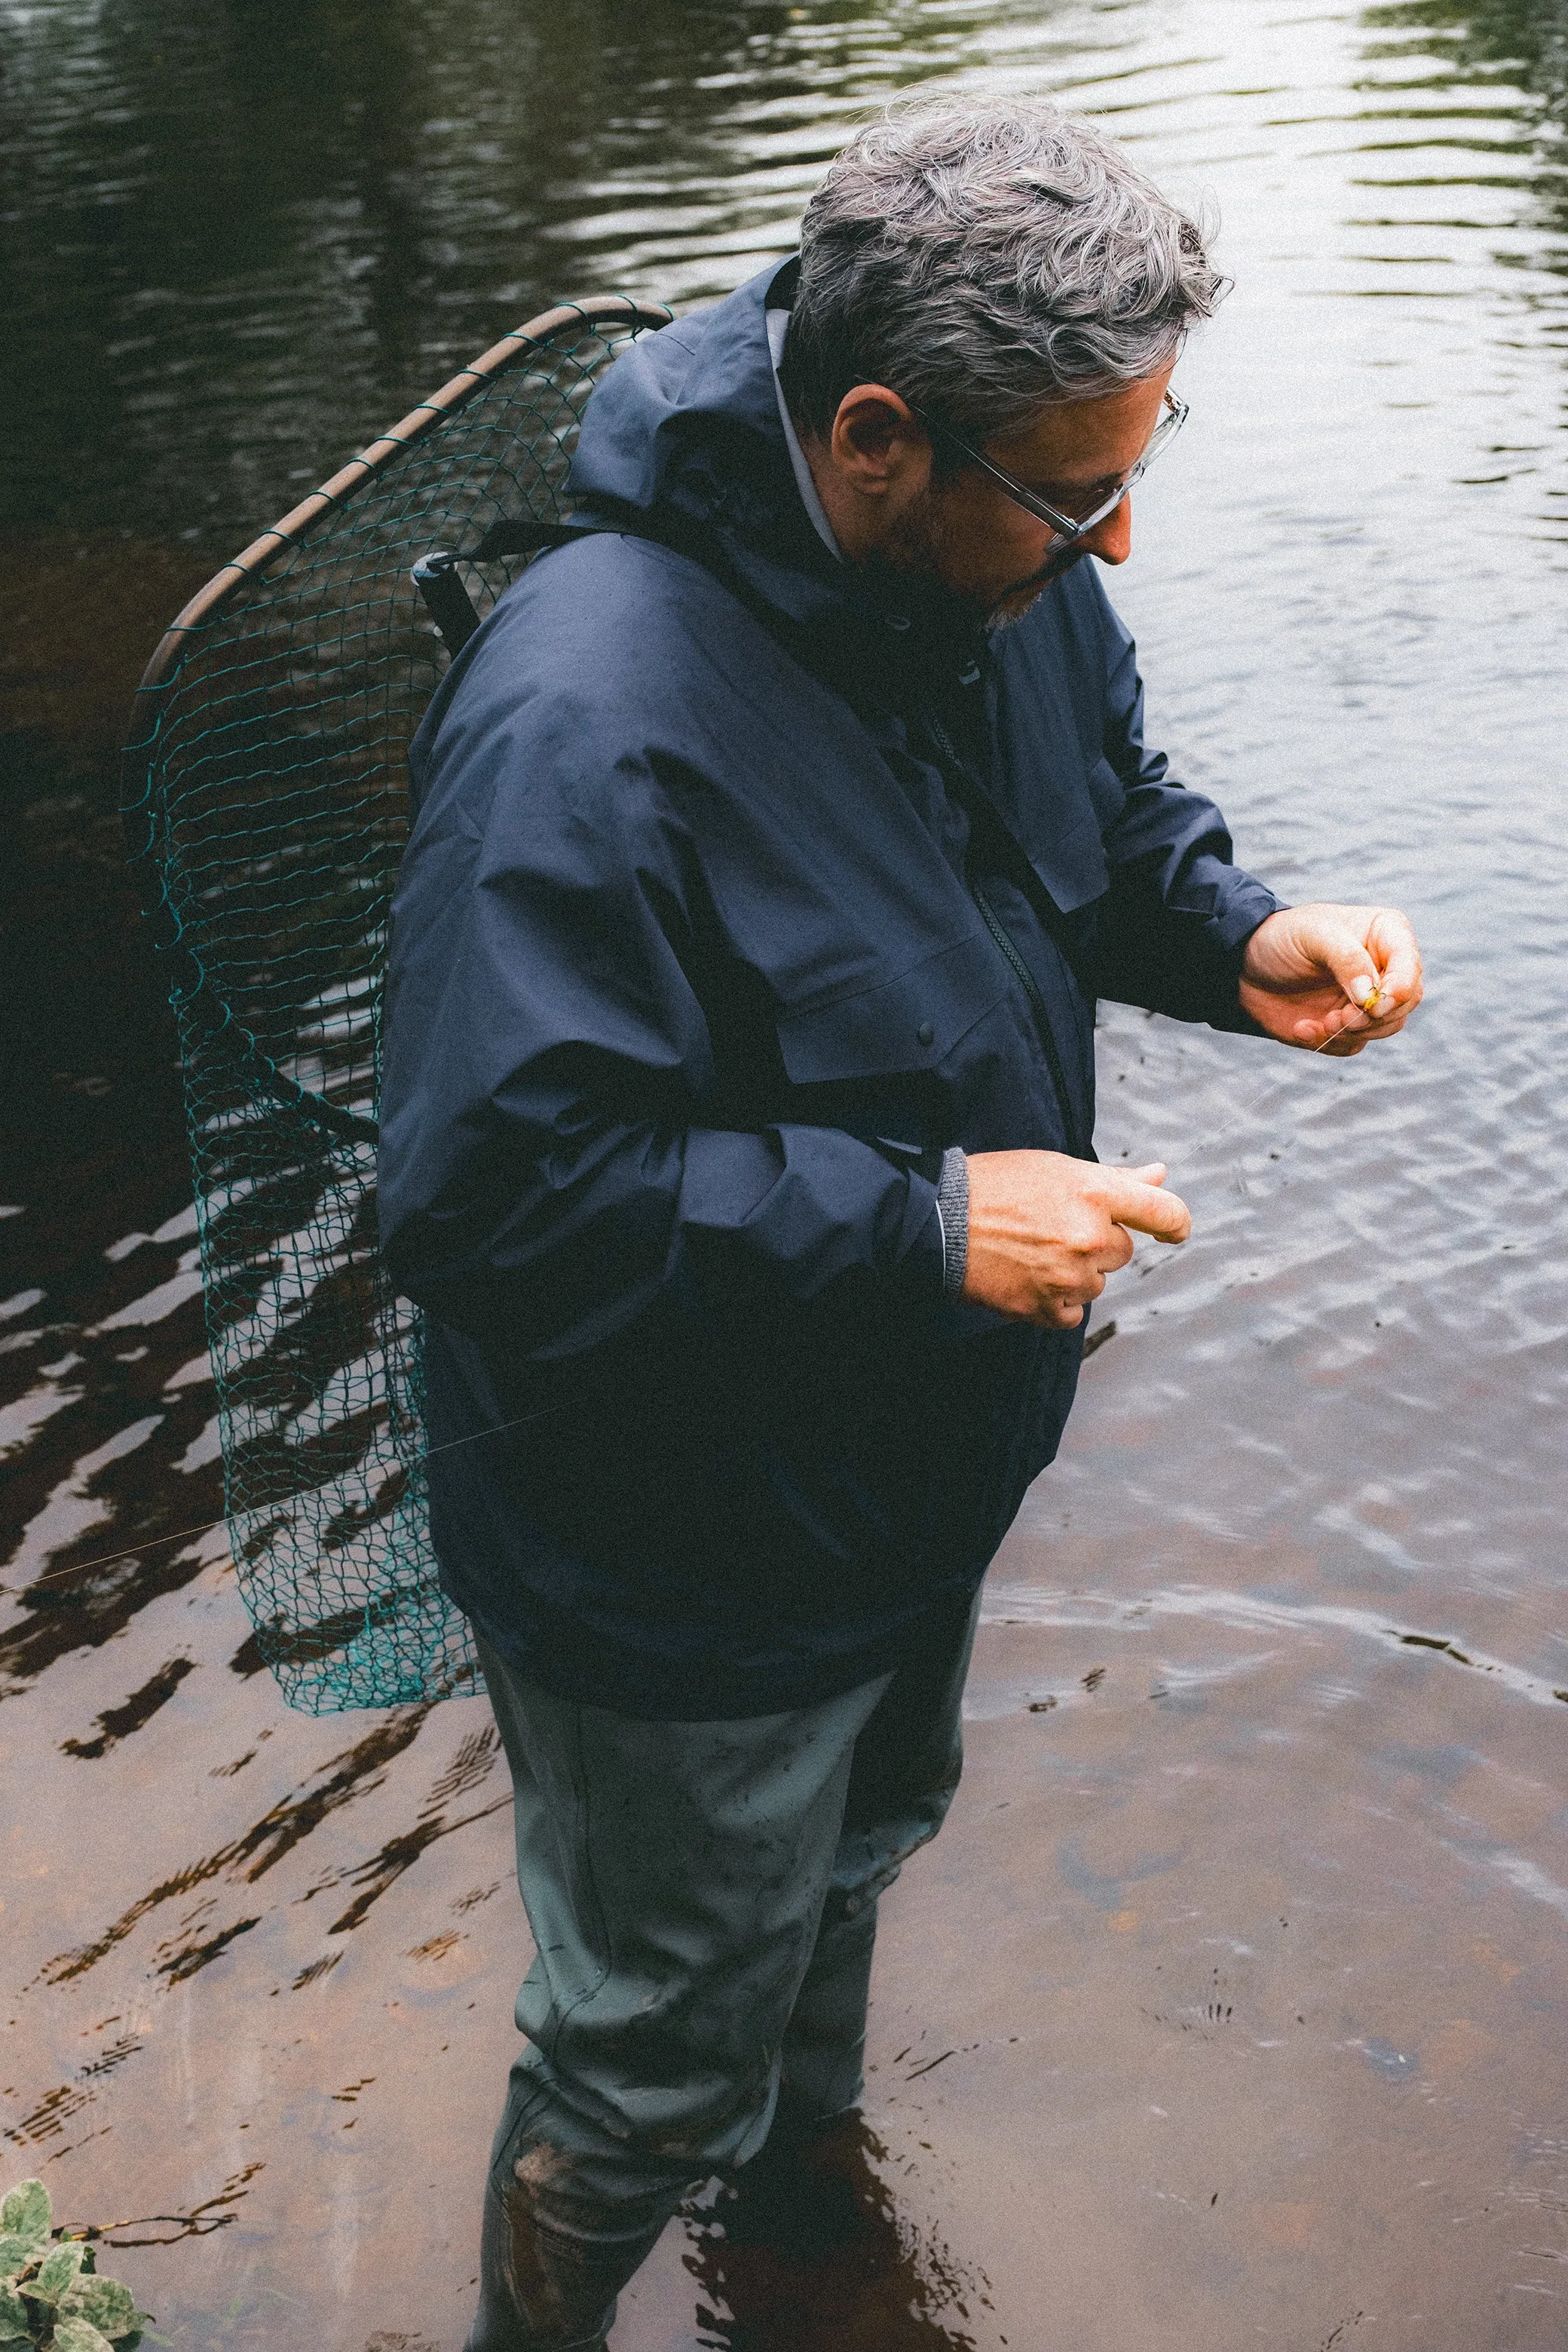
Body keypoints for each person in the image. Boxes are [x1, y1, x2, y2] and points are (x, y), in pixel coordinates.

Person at [378, 93, 1422, 2352]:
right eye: (1078, 490)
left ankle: (800, 2217)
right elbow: (488, 1198)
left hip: (894, 1482)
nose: (1122, 537)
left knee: (851, 1860)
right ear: (874, 437)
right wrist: (926, 1224)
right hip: (670, 1553)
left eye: (1144, 461)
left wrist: (1232, 934)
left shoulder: (996, 554)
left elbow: (1101, 821)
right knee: (648, 2038)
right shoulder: (582, 721)